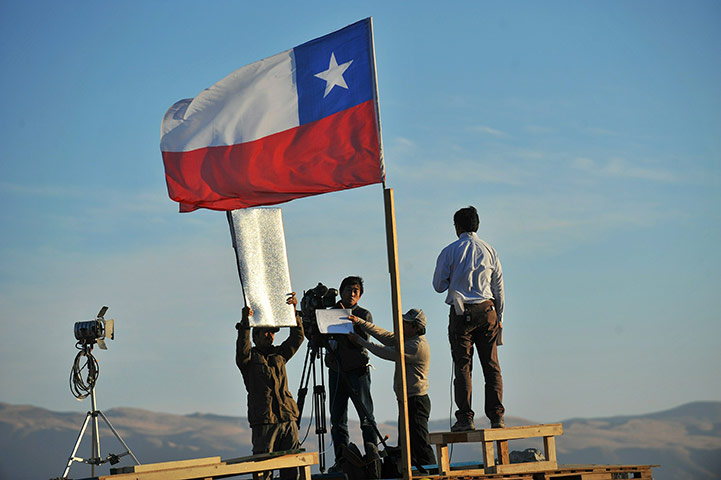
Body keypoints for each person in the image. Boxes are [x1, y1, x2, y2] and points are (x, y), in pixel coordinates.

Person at [432, 206, 505, 431]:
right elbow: (499, 288)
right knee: (491, 365)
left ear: (457, 227)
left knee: (463, 366)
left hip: (461, 312)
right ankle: (497, 417)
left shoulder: (450, 251)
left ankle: (465, 418)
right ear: (477, 225)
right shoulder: (489, 250)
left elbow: (438, 285)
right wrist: (499, 317)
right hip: (487, 310)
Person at [348, 308, 436, 468]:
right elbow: (383, 335)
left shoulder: (416, 346)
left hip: (416, 401)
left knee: (420, 444)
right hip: (408, 400)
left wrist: (360, 341)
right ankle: (418, 473)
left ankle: (431, 473)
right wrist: (359, 321)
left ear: (416, 327)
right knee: (407, 445)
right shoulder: (408, 340)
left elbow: (385, 352)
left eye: (406, 323)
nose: (401, 325)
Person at [235, 293, 304, 480]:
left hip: (287, 418)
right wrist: (246, 324)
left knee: (291, 468)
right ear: (255, 336)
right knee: (263, 471)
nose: (270, 336)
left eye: (272, 332)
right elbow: (242, 349)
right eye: (266, 332)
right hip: (265, 421)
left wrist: (293, 312)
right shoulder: (248, 360)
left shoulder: (279, 355)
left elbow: (297, 338)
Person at [326, 276, 377, 469]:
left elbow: (363, 340)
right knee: (338, 420)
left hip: (357, 372)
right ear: (341, 291)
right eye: (349, 289)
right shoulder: (330, 313)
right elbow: (320, 337)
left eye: (356, 291)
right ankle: (343, 460)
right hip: (336, 371)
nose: (353, 293)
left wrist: (351, 325)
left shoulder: (364, 314)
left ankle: (372, 458)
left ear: (360, 295)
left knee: (366, 418)